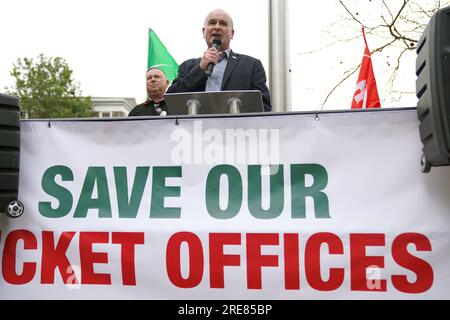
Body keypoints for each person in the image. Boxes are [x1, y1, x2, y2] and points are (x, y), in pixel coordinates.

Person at [167, 9, 272, 112]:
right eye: (212, 23)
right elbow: (170, 101)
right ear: (204, 32)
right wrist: (200, 69)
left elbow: (264, 107)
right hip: (195, 127)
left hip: (236, 128)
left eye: (223, 23)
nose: (217, 27)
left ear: (232, 33)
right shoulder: (187, 66)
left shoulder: (252, 66)